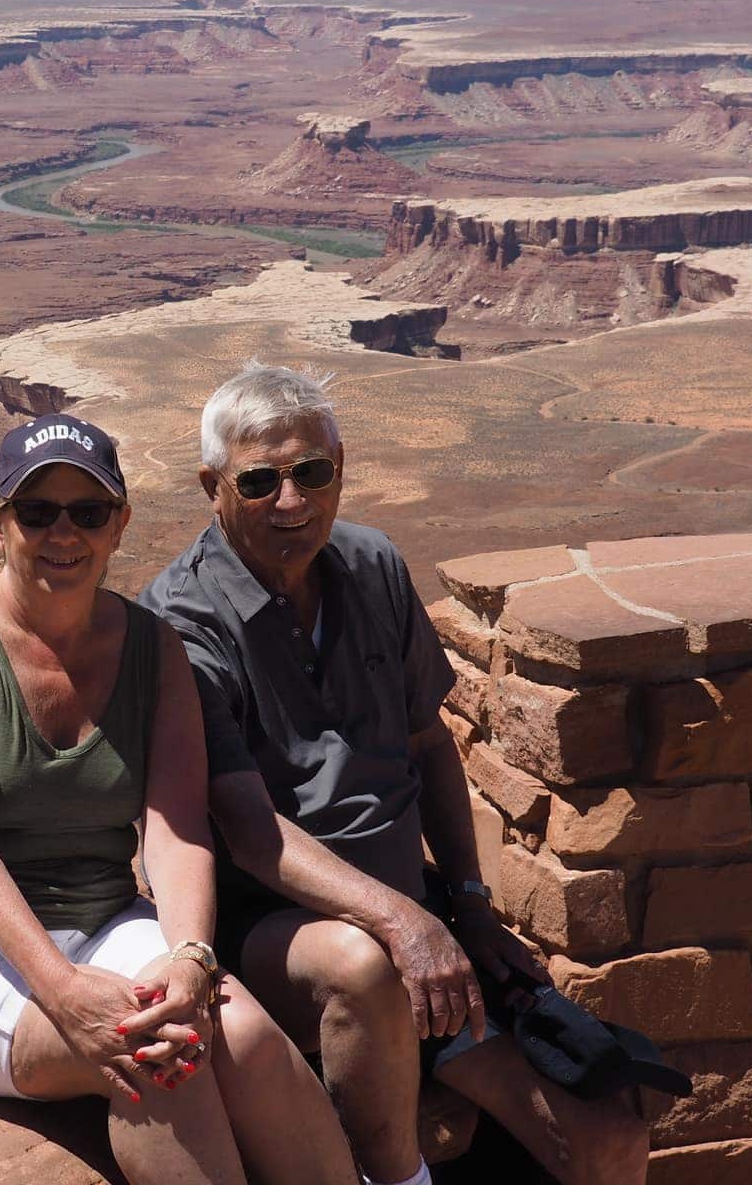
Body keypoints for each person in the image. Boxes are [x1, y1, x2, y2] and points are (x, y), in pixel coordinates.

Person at [139, 366, 651, 1185]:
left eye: (312, 472)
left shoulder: (372, 566)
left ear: (341, 465)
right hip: (279, 931)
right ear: (214, 486)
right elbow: (246, 828)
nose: (292, 501)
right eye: (260, 480)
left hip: (416, 919)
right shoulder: (182, 622)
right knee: (362, 965)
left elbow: (429, 745)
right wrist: (403, 924)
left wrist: (472, 909)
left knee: (609, 1137)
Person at [0, 412, 360, 1185]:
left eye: (88, 512)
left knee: (238, 1032)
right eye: (37, 512)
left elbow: (175, 832)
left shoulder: (154, 648)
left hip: (97, 916)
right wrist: (64, 991)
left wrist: (189, 957)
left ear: (119, 525)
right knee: (151, 1054)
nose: (63, 534)